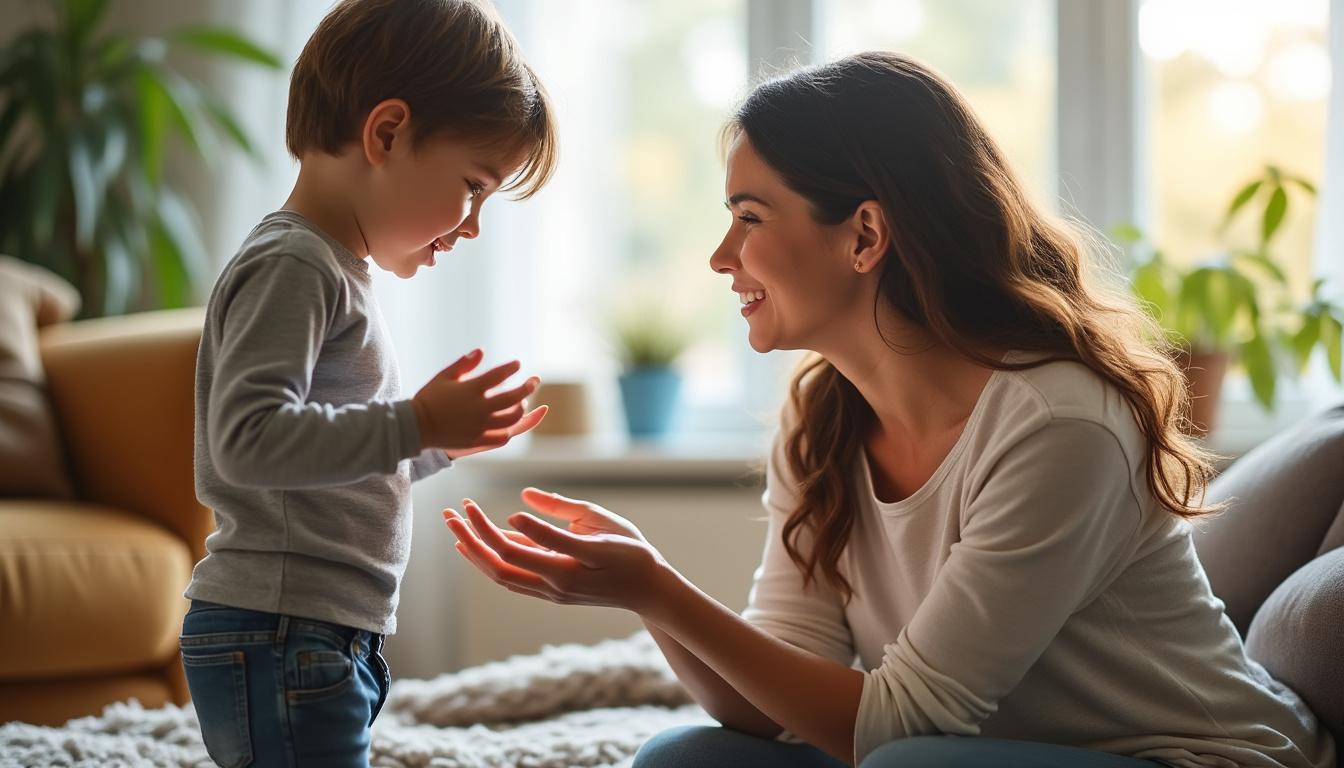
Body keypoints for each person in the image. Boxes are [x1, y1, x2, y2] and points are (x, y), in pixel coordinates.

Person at [443, 52, 1336, 768]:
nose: (722, 256)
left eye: (750, 217)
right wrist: (648, 596)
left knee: (916, 763)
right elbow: (770, 704)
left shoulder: (1057, 421)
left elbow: (900, 722)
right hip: (957, 748)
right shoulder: (823, 415)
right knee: (684, 756)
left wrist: (655, 585)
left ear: (866, 235)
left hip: (1184, 755)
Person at [180, 1, 557, 765]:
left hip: (311, 628)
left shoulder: (329, 270)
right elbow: (248, 443)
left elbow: (324, 472)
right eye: (474, 185)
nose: (474, 224)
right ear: (386, 133)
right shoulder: (295, 265)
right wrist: (413, 422)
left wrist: (433, 445)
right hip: (281, 625)